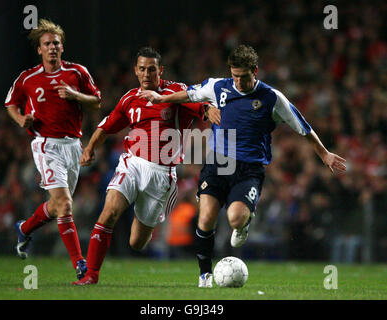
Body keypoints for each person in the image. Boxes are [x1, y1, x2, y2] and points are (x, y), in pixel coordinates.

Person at [140, 44, 347, 287]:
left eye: (244, 76)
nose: (238, 81)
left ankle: (244, 222)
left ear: (255, 71)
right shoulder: (218, 86)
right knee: (205, 219)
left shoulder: (272, 98)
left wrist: (324, 154)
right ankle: (205, 275)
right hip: (218, 162)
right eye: (234, 75)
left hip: (250, 168)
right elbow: (189, 94)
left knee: (235, 219)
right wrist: (161, 97)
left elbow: (303, 126)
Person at [72, 47, 219, 285]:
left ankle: (144, 224)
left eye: (152, 69)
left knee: (137, 243)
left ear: (160, 70)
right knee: (109, 212)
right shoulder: (129, 98)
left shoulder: (176, 92)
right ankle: (91, 275)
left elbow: (199, 104)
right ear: (136, 71)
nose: (147, 73)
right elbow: (106, 126)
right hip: (132, 164)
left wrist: (209, 110)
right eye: (142, 69)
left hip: (162, 175)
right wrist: (89, 148)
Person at [5, 19, 101, 280]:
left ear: (62, 47)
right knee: (65, 204)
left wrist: (75, 95)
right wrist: (20, 120)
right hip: (46, 144)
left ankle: (24, 228)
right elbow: (10, 104)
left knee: (58, 206)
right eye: (47, 44)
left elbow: (96, 101)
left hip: (72, 145)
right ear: (39, 49)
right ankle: (80, 264)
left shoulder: (77, 73)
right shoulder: (28, 78)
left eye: (56, 43)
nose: (52, 48)